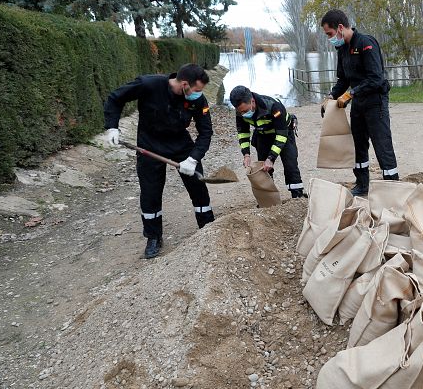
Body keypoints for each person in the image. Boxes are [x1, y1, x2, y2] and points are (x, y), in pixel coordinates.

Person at [104, 63, 215, 259]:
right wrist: (112, 126)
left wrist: (193, 158)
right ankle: (154, 237)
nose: (199, 94)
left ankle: (208, 226)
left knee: (198, 186)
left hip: (181, 144)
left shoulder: (197, 100)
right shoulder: (149, 85)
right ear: (184, 84)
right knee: (150, 192)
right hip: (149, 144)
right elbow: (115, 98)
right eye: (197, 90)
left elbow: (206, 132)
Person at [320, 9, 399, 196]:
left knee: (382, 145)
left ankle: (393, 188)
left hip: (375, 102)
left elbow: (376, 78)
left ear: (340, 28)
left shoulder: (366, 43)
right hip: (358, 104)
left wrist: (350, 94)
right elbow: (343, 80)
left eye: (329, 34)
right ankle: (362, 184)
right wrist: (332, 96)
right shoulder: (342, 49)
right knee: (358, 146)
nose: (329, 38)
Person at [230, 85, 306, 198]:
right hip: (263, 135)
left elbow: (281, 136)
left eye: (245, 111)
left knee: (290, 164)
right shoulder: (240, 111)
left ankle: (297, 196)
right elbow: (243, 133)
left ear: (252, 101)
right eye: (240, 112)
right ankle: (269, 199)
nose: (243, 114)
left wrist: (271, 158)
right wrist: (246, 154)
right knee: (263, 168)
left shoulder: (273, 106)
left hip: (283, 132)